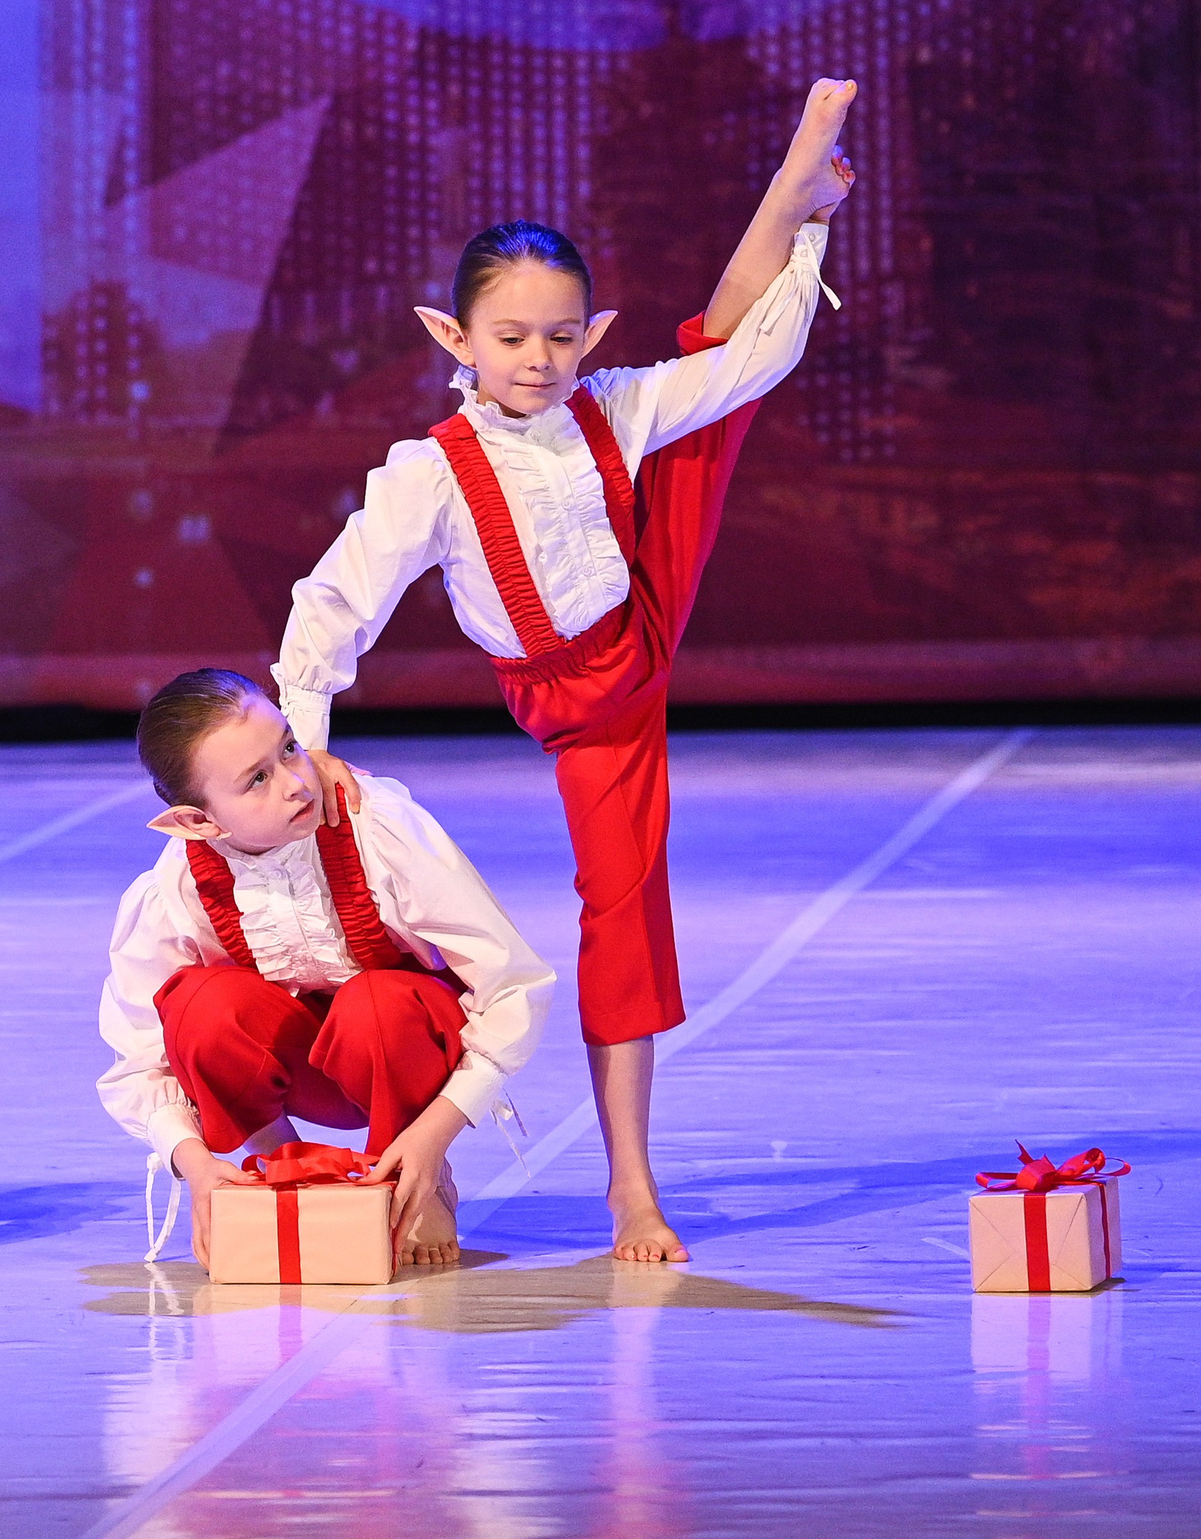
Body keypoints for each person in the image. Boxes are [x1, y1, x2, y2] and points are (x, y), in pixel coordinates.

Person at [272, 81, 859, 1261]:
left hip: (641, 620)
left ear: (589, 336)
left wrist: (809, 242)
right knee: (714, 383)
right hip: (573, 699)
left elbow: (756, 356)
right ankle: (420, 1124)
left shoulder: (614, 403)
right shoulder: (427, 470)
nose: (536, 361)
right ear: (453, 339)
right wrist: (308, 744)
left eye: (559, 336)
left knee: (719, 384)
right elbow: (336, 599)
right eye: (508, 338)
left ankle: (629, 1186)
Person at [99, 668, 552, 1268]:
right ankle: (278, 1170)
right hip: (292, 1064)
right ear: (198, 822)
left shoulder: (375, 827)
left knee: (379, 1003)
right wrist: (196, 1166)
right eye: (256, 780)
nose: (294, 782)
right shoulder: (176, 888)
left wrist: (433, 1134)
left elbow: (513, 984)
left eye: (288, 747)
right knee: (199, 1007)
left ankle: (410, 1174)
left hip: (400, 1051)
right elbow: (138, 1056)